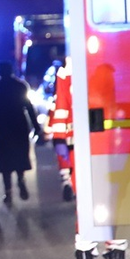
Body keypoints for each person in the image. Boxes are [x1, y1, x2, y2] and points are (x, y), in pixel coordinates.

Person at [53, 60, 130, 259]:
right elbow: (61, 107)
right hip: (83, 147)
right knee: (85, 206)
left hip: (112, 145)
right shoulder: (69, 68)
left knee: (115, 205)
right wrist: (60, 142)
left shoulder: (115, 63)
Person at [0, 60, 43, 205]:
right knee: (20, 155)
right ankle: (20, 179)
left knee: (5, 160)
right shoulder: (20, 86)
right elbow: (29, 107)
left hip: (3, 128)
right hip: (19, 125)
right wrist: (36, 126)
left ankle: (8, 192)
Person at [49, 58, 75, 202]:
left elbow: (61, 107)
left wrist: (58, 137)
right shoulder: (90, 72)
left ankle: (67, 181)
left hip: (69, 133)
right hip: (90, 134)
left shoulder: (64, 76)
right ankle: (70, 183)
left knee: (66, 159)